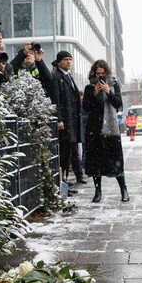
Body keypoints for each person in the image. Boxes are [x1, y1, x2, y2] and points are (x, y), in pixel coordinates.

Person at [83, 60, 129, 203]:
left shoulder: (114, 85)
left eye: (103, 74)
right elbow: (86, 107)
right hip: (94, 130)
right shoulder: (89, 87)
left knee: (116, 161)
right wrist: (95, 92)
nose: (100, 77)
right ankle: (98, 191)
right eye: (98, 74)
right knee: (96, 162)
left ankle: (123, 189)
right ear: (93, 73)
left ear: (107, 73)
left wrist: (108, 92)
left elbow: (119, 105)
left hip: (111, 130)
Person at [53, 51, 85, 187]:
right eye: (65, 59)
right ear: (59, 61)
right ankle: (63, 179)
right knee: (65, 151)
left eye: (70, 59)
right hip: (65, 120)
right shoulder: (56, 76)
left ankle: (79, 175)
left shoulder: (69, 76)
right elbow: (56, 100)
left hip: (73, 119)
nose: (68, 62)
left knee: (74, 149)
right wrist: (59, 119)